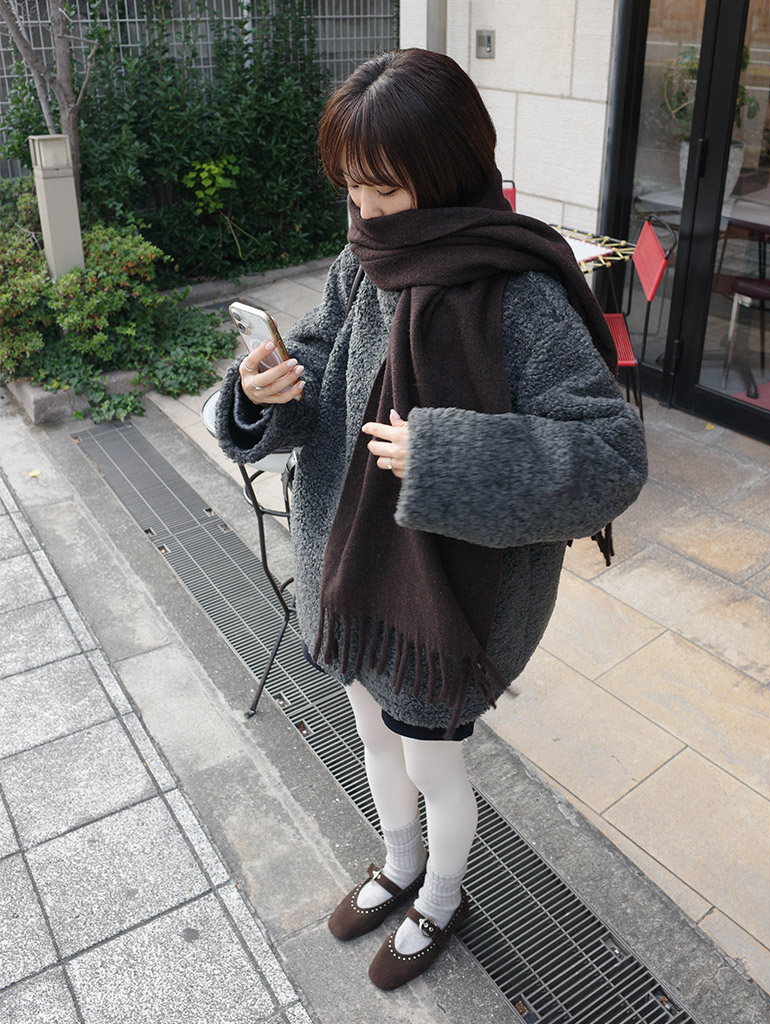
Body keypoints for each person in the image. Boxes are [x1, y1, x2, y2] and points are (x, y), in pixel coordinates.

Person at [216, 47, 647, 991]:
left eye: (383, 189)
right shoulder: (364, 259)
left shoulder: (520, 289)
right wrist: (266, 389)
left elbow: (612, 456)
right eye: (351, 187)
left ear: (447, 170)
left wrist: (450, 458)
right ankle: (398, 864)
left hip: (448, 598)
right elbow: (323, 360)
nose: (363, 211)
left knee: (435, 762)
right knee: (373, 734)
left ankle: (441, 897)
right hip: (352, 571)